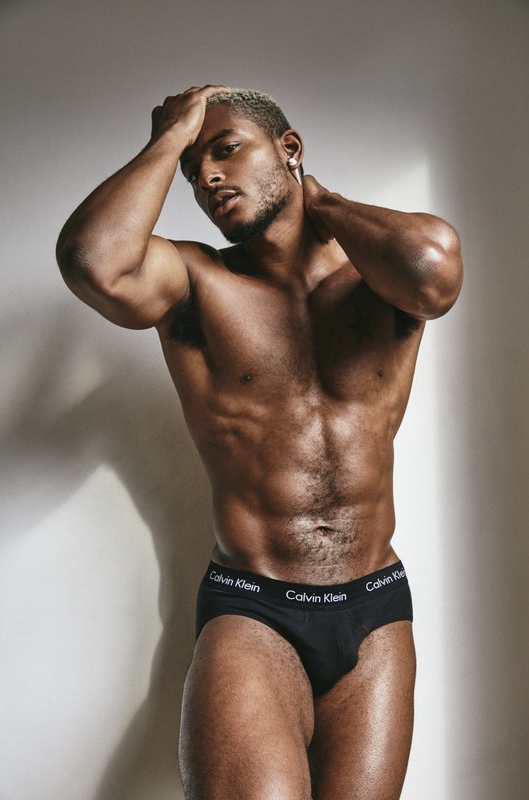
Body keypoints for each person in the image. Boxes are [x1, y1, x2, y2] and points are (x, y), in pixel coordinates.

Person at [56, 84, 463, 800]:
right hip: (254, 611)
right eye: (192, 170)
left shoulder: (379, 279)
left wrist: (323, 204)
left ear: (289, 149)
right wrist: (170, 138)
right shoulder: (194, 282)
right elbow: (95, 261)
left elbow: (435, 272)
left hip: (375, 612)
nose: (207, 177)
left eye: (225, 149)